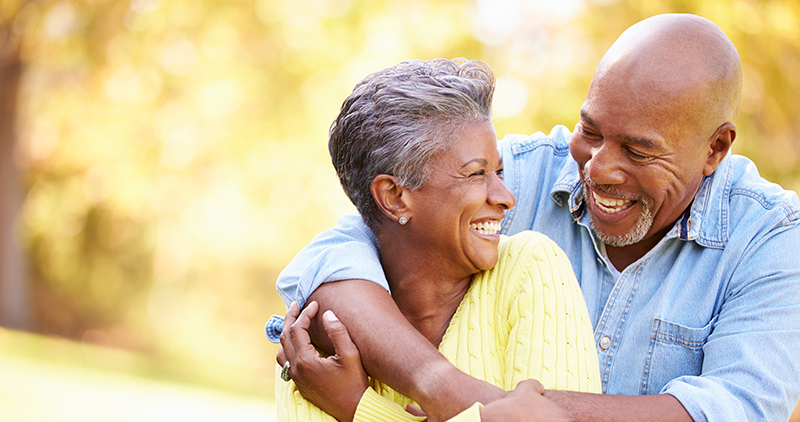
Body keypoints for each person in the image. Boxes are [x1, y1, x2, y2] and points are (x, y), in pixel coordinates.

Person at [268, 13, 800, 422]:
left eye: (639, 151)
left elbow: (734, 410)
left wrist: (381, 408)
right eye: (590, 131)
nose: (601, 170)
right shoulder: (522, 174)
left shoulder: (772, 239)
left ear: (716, 148)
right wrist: (440, 384)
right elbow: (336, 256)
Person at [271, 58, 602, 422]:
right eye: (477, 173)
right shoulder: (318, 334)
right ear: (395, 197)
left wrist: (360, 409)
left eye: (499, 171)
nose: (506, 196)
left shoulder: (531, 268)